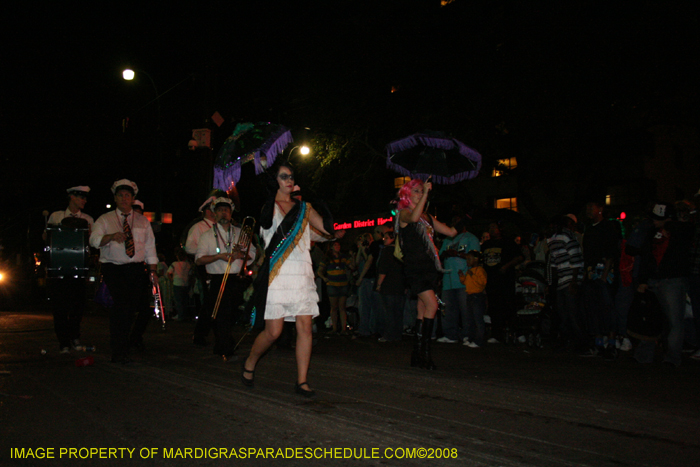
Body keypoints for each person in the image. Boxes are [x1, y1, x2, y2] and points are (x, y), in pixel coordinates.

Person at [242, 162, 343, 397]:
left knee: (305, 327)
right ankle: (250, 361)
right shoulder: (269, 207)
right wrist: (273, 197)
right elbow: (266, 226)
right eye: (283, 176)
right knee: (273, 332)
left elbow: (327, 230)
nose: (289, 179)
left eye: (291, 176)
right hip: (278, 274)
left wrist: (323, 209)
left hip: (302, 273)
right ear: (274, 181)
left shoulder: (304, 208)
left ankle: (302, 381)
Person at [89, 179, 157, 364]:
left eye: (128, 195)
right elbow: (94, 240)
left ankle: (125, 344)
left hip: (135, 269)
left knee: (131, 309)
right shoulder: (105, 219)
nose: (124, 199)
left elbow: (150, 247)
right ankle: (118, 350)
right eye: (121, 195)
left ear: (133, 199)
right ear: (115, 198)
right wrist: (110, 237)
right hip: (113, 268)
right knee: (121, 307)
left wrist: (152, 271)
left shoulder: (142, 221)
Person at [396, 178, 457, 369]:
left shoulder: (428, 217)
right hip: (415, 268)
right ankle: (426, 355)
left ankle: (417, 354)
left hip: (430, 268)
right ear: (407, 194)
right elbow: (414, 218)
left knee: (423, 309)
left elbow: (450, 232)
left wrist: (465, 216)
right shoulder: (404, 214)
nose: (419, 193)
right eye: (416, 191)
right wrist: (427, 194)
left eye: (421, 191)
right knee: (432, 305)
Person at [630, 203, 693, 367]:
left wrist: (669, 225)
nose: (655, 221)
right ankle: (644, 354)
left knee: (674, 320)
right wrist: (643, 280)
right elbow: (646, 256)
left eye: (658, 219)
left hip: (672, 280)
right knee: (650, 318)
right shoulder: (651, 232)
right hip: (654, 280)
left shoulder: (680, 230)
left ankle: (672, 357)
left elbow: (686, 233)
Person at [196, 197, 256, 361]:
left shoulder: (240, 233)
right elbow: (199, 259)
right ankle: (225, 348)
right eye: (221, 210)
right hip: (217, 279)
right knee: (221, 313)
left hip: (236, 279)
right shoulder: (207, 235)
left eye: (227, 210)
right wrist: (218, 257)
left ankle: (223, 342)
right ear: (214, 214)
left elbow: (252, 255)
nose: (224, 213)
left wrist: (241, 254)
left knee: (231, 313)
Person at [45, 185, 94, 353]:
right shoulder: (56, 216)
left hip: (79, 269)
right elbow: (48, 240)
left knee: (78, 306)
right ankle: (63, 341)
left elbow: (90, 244)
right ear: (72, 197)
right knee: (60, 307)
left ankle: (74, 336)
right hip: (59, 270)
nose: (84, 201)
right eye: (81, 197)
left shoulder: (88, 219)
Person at [579, 201, 621, 358]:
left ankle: (611, 343)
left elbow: (612, 252)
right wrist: (585, 274)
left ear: (601, 209)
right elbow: (587, 255)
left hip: (604, 273)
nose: (589, 210)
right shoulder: (589, 230)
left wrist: (605, 275)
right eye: (588, 207)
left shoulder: (608, 227)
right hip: (591, 273)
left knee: (608, 307)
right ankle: (598, 343)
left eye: (592, 207)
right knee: (593, 309)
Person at [437, 217, 480, 344]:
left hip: (464, 280)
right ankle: (450, 335)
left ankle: (468, 334)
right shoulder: (448, 239)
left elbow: (475, 258)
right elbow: (439, 256)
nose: (454, 224)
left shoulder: (471, 238)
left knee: (466, 310)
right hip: (448, 280)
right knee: (448, 309)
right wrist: (446, 253)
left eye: (457, 222)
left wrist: (457, 254)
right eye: (453, 223)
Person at [481, 222, 524, 343]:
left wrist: (506, 266)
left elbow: (520, 257)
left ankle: (517, 332)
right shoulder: (486, 245)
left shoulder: (508, 242)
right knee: (494, 308)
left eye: (494, 227)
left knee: (509, 305)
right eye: (490, 227)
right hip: (491, 281)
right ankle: (496, 334)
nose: (491, 229)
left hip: (505, 280)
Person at [547, 214, 585, 351]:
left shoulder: (567, 237)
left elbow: (576, 258)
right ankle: (568, 340)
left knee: (573, 313)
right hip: (563, 280)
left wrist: (574, 281)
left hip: (570, 279)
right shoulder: (551, 240)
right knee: (563, 313)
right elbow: (554, 263)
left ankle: (581, 343)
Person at [185, 195, 219, 346]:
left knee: (217, 300)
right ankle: (200, 333)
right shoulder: (198, 227)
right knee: (209, 300)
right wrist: (204, 251)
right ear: (205, 211)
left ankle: (211, 331)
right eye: (210, 209)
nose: (213, 212)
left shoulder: (220, 227)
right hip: (205, 267)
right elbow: (189, 247)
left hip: (219, 266)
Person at [375, 230, 406, 342]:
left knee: (389, 312)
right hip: (400, 286)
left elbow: (383, 270)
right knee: (398, 312)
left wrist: (379, 284)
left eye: (386, 238)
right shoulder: (402, 251)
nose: (384, 240)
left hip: (388, 286)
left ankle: (389, 335)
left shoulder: (387, 251)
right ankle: (397, 334)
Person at [317, 241, 353, 334]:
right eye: (335, 245)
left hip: (343, 284)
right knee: (333, 307)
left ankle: (343, 329)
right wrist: (324, 278)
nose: (337, 246)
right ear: (331, 247)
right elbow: (319, 271)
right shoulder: (327, 258)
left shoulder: (343, 257)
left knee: (342, 307)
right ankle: (334, 328)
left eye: (338, 244)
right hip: (332, 285)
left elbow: (352, 266)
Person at [458, 250, 487, 348]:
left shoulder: (480, 270)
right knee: (470, 319)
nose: (467, 261)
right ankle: (471, 338)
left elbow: (482, 283)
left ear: (476, 259)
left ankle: (479, 340)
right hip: (469, 296)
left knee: (477, 319)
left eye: (469, 259)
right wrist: (462, 276)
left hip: (477, 296)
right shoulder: (469, 271)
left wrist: (472, 275)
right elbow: (466, 282)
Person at [168, 249, 192, 321]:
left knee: (178, 301)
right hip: (185, 283)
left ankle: (180, 316)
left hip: (177, 283)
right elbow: (190, 275)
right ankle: (184, 315)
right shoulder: (188, 264)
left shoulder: (174, 264)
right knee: (184, 301)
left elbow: (169, 273)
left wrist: (172, 280)